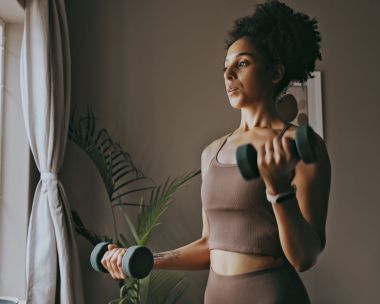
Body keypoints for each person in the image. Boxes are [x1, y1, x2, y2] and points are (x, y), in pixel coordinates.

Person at [101, 0, 331, 303]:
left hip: (272, 294)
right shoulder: (212, 152)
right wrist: (142, 260)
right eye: (225, 68)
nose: (229, 75)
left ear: (276, 73)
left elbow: (305, 257)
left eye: (243, 63)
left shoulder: (301, 146)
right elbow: (210, 244)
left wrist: (279, 192)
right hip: (216, 295)